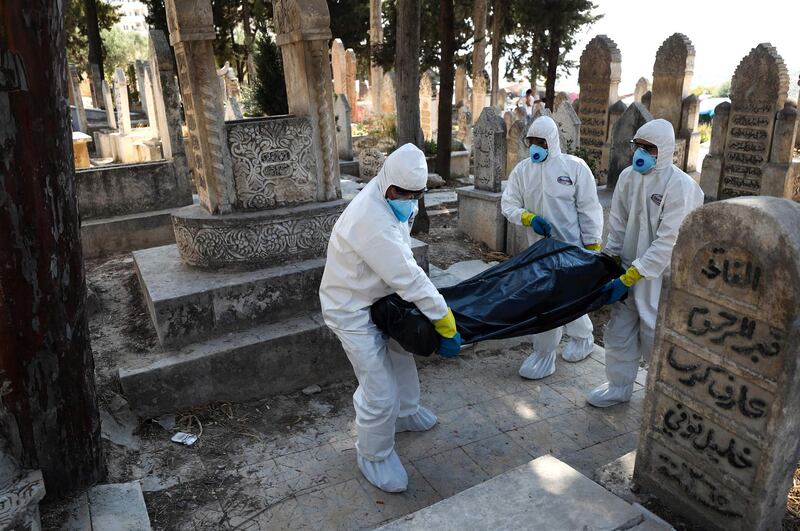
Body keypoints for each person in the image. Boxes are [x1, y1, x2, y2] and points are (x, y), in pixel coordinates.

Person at [319, 143, 462, 493]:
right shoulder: (371, 220)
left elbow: (401, 256)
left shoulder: (399, 200)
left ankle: (407, 412)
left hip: (379, 296)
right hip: (350, 308)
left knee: (401, 357)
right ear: (386, 182)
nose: (407, 200)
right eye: (400, 193)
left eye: (415, 195)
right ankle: (373, 453)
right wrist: (444, 321)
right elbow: (408, 275)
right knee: (379, 389)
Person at [586, 119, 704, 407]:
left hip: (660, 275)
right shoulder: (628, 177)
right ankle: (619, 385)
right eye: (637, 146)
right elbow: (619, 223)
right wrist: (611, 260)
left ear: (663, 150)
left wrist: (636, 273)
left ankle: (665, 394)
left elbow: (669, 241)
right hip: (627, 268)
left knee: (656, 332)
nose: (640, 152)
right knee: (620, 328)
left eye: (649, 148)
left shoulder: (680, 186)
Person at [501, 116, 604, 380]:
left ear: (552, 142)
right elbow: (509, 204)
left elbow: (589, 208)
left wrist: (591, 248)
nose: (535, 147)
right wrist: (528, 218)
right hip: (539, 251)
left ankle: (565, 346)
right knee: (550, 298)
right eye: (531, 141)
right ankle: (563, 345)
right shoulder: (523, 171)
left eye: (541, 142)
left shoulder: (574, 168)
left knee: (562, 298)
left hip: (571, 249)